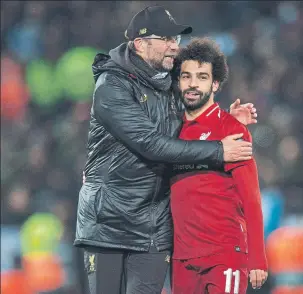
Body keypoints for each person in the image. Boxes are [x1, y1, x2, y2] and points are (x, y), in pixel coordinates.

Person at [74, 6, 258, 294]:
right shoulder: (111, 86)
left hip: (155, 228)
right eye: (167, 39)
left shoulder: (172, 81)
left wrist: (226, 121)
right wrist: (218, 150)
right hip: (109, 224)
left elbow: (194, 120)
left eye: (177, 39)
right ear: (140, 45)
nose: (175, 46)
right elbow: (150, 144)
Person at [170, 37, 268, 294]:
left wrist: (257, 257)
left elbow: (252, 199)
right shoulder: (170, 132)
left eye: (202, 77)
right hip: (182, 258)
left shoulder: (231, 129)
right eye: (186, 76)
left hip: (225, 254)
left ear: (215, 83)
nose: (192, 84)